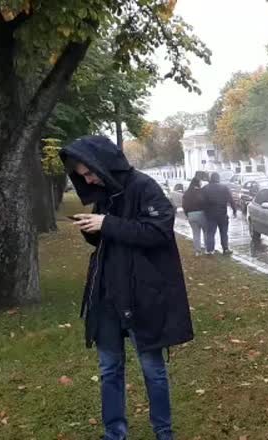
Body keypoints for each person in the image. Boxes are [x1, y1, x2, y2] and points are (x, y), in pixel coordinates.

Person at [59, 136, 193, 440]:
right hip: (108, 296)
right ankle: (114, 433)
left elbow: (159, 230)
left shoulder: (144, 187)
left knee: (152, 370)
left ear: (102, 162)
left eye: (89, 172)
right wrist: (92, 229)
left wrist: (106, 224)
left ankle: (164, 432)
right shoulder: (105, 195)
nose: (89, 179)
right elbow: (109, 239)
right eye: (82, 177)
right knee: (109, 370)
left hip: (142, 295)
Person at [200, 172, 237, 255]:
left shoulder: (205, 188)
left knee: (210, 233)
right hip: (222, 214)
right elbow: (231, 200)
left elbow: (201, 201)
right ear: (218, 178)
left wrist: (204, 210)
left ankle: (210, 250)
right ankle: (225, 249)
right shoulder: (224, 188)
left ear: (211, 179)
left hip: (210, 215)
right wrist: (234, 211)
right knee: (224, 232)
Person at [182, 176, 206, 256]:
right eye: (200, 182)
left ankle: (197, 251)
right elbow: (205, 202)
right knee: (205, 232)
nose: (201, 183)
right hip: (201, 214)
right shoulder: (201, 192)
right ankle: (207, 249)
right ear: (198, 183)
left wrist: (187, 214)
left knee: (196, 234)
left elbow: (184, 205)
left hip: (191, 215)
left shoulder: (187, 193)